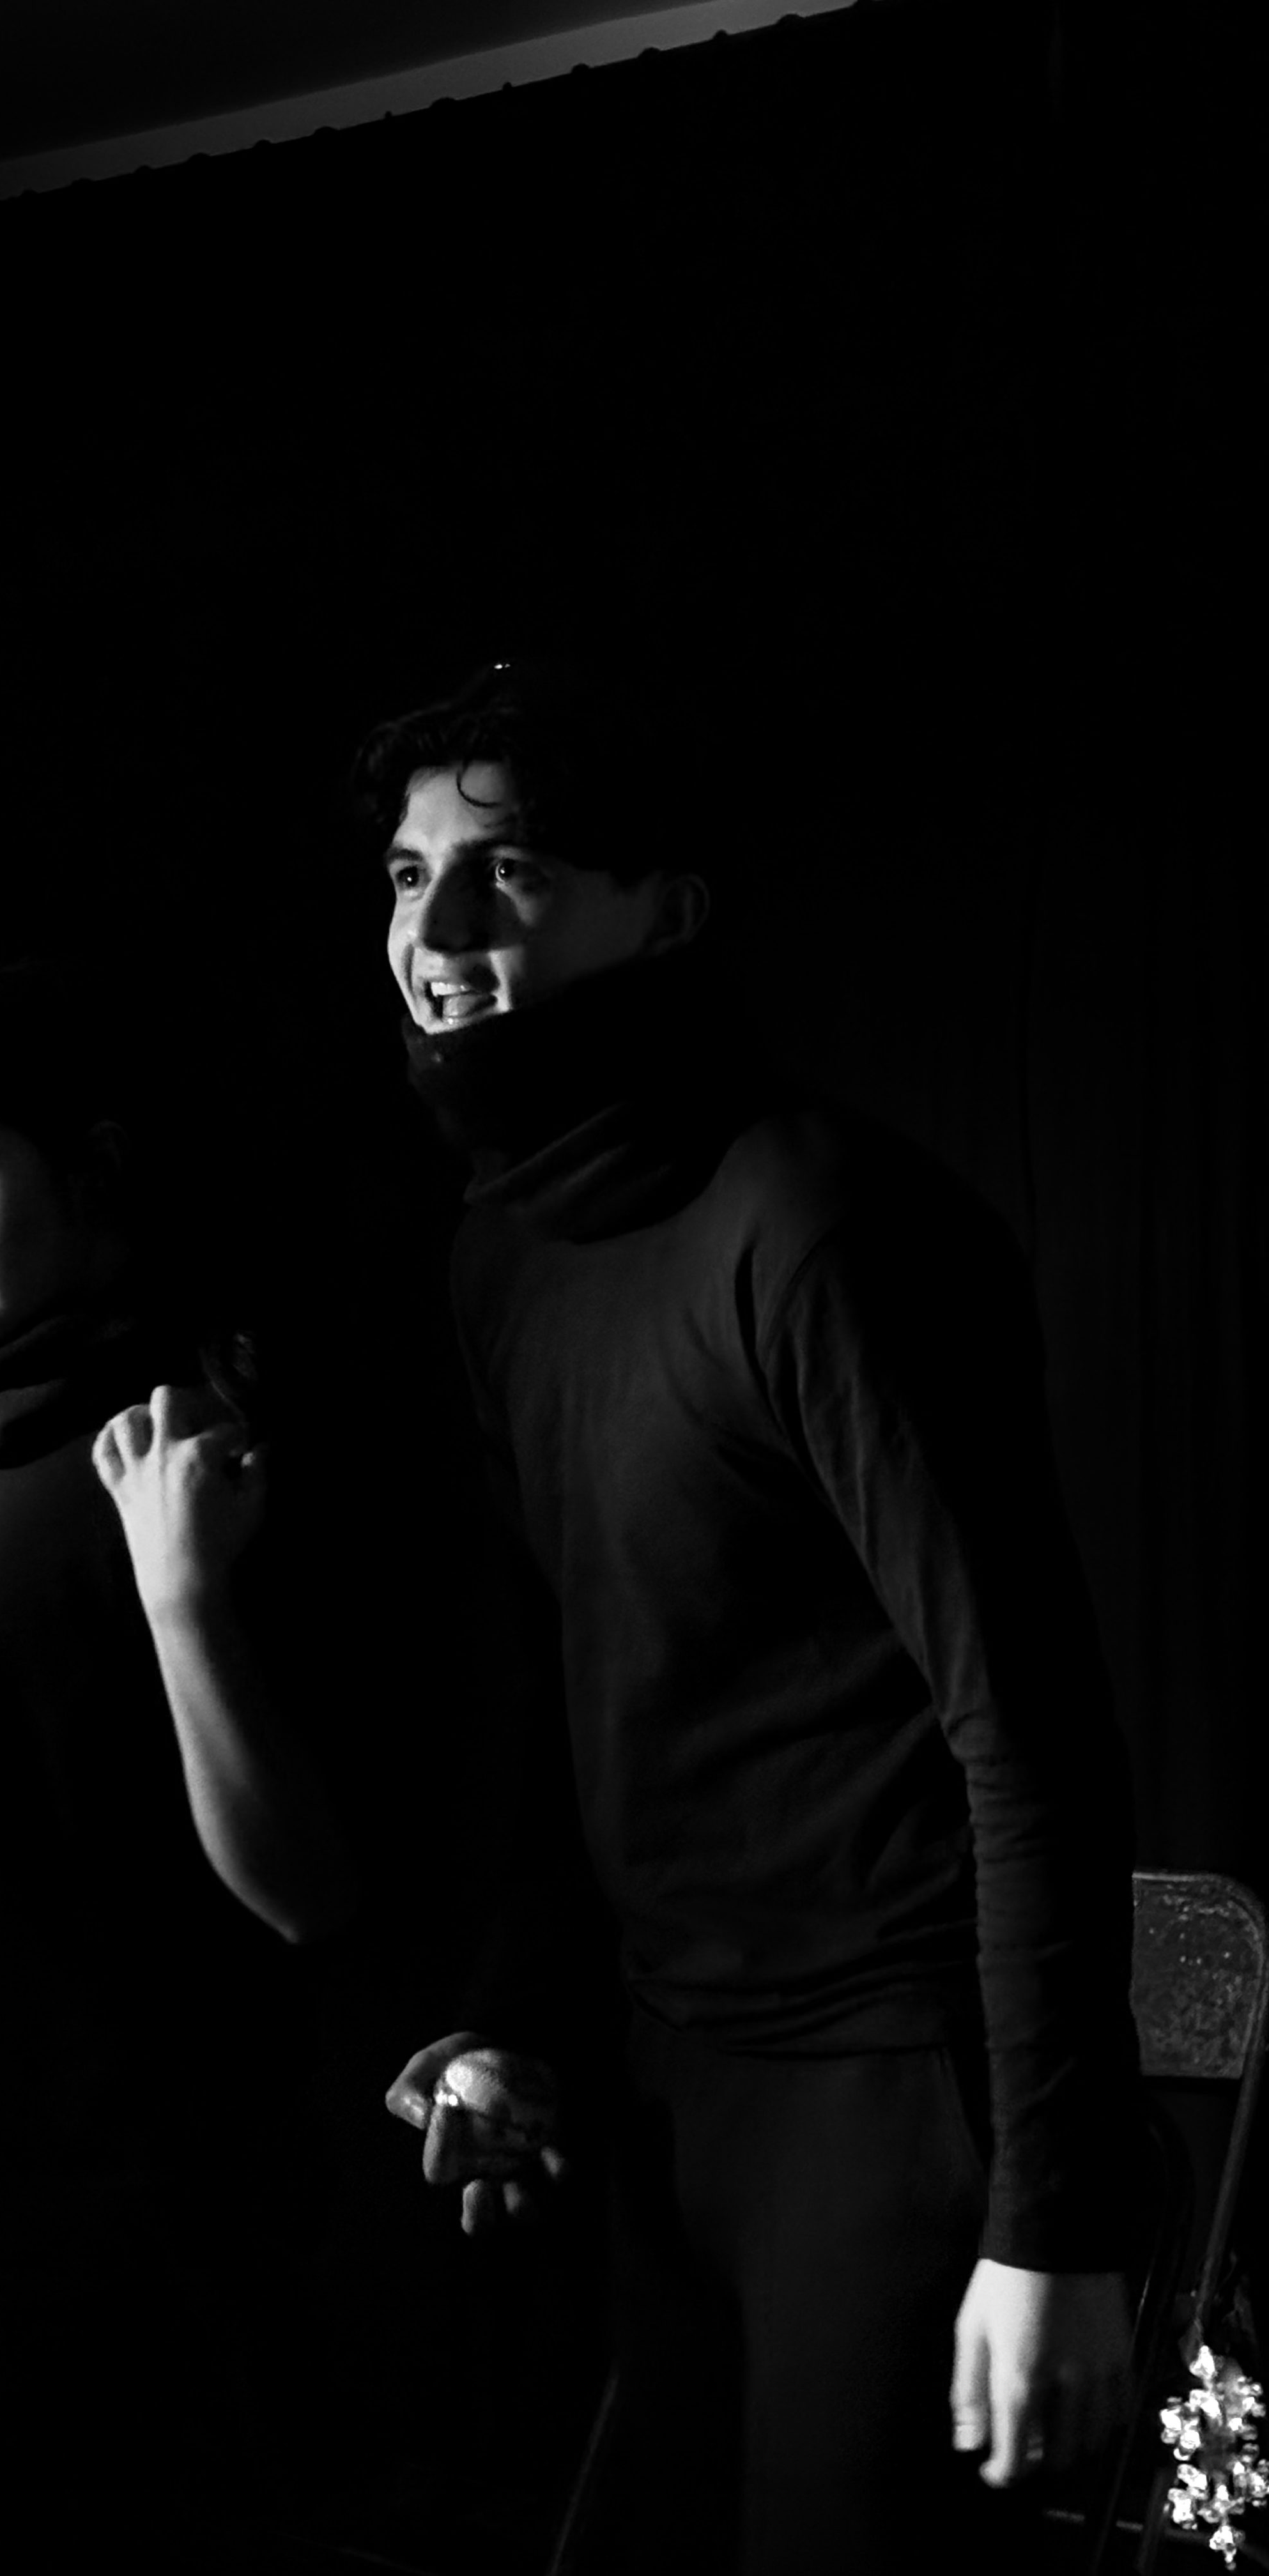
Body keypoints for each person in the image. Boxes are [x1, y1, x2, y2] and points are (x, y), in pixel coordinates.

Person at [360, 662, 1146, 2576]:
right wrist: (509, 2025)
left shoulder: (817, 1222)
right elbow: (566, 1686)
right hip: (668, 2086)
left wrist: (1056, 2224)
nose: (435, 934)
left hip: (897, 2092)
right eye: (405, 874)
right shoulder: (501, 1254)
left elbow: (1030, 1731)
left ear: (669, 911)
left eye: (509, 870)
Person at [0, 962, 358, 2570]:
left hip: (77, 2232)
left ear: (87, 1168)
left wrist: (183, 1596)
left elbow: (308, 1894)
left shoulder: (186, 1446)